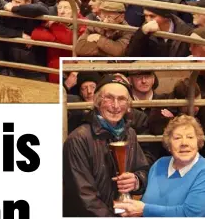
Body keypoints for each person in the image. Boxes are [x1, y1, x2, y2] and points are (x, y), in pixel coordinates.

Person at [63, 75, 148, 217]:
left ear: (128, 105)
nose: (115, 106)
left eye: (121, 99)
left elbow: (142, 169)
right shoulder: (78, 139)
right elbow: (83, 197)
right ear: (97, 101)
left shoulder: (130, 134)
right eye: (108, 98)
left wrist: (137, 181)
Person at [118, 115, 205, 217]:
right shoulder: (159, 164)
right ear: (169, 145)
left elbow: (189, 214)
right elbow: (146, 201)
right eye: (177, 138)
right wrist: (136, 183)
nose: (184, 143)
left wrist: (144, 209)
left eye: (190, 137)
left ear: (198, 142)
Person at [127, 0, 195, 58]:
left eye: (152, 16)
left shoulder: (185, 32)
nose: (148, 20)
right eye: (145, 16)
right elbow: (131, 55)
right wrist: (142, 33)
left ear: (166, 17)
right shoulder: (144, 30)